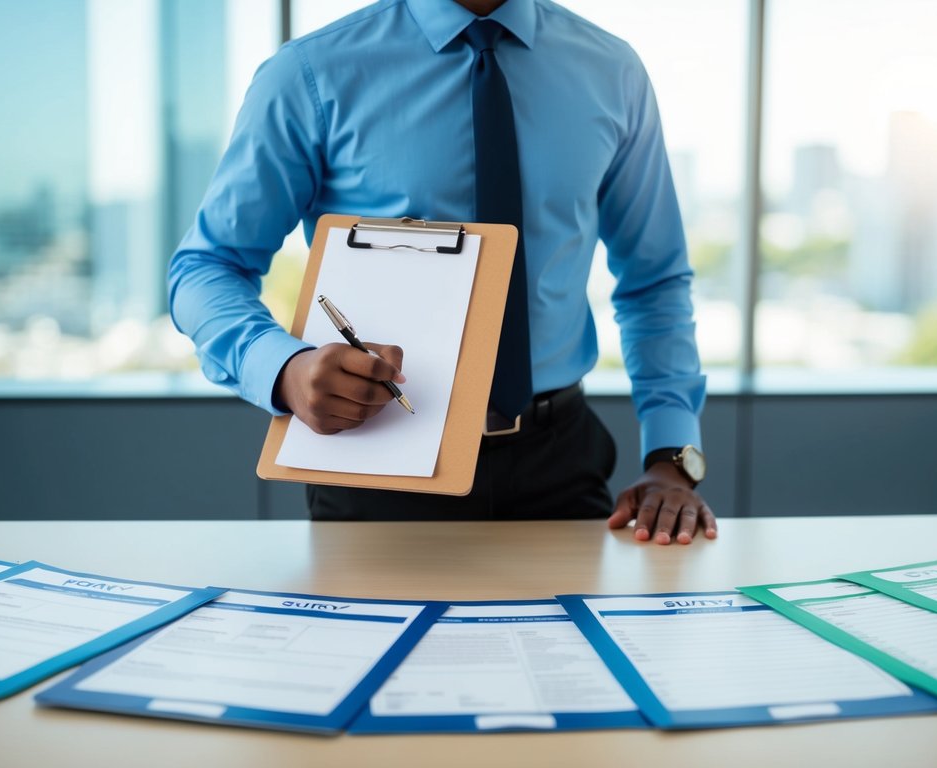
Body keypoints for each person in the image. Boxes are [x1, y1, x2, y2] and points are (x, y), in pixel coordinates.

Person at [169, 0, 717, 544]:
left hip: (561, 464)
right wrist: (284, 370)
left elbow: (655, 280)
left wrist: (672, 457)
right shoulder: (310, 74)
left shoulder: (611, 71)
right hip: (379, 452)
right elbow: (206, 266)